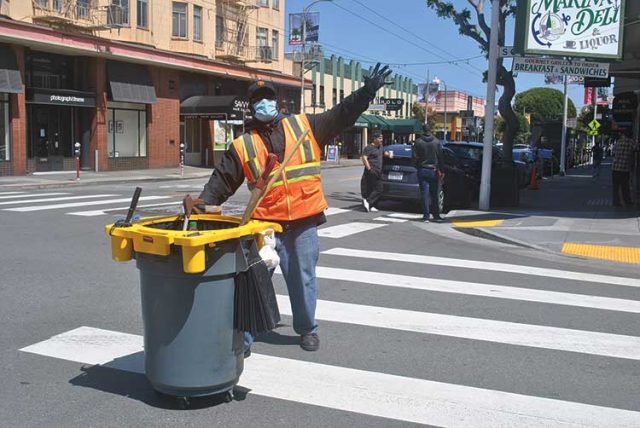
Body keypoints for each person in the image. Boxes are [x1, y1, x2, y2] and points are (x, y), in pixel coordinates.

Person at [198, 63, 392, 353]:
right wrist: (202, 205)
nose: (264, 103)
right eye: (258, 100)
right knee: (254, 277)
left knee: (303, 278)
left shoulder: (305, 126)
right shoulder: (243, 144)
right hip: (264, 224)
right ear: (251, 107)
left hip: (303, 219)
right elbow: (221, 182)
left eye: (268, 98)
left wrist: (365, 93)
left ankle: (307, 329)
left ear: (277, 102)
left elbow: (341, 115)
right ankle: (245, 337)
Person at [413, 124, 444, 222]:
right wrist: (441, 170)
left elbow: (414, 157)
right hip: (433, 170)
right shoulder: (437, 142)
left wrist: (418, 166)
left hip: (422, 169)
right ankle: (436, 215)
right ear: (430, 130)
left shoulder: (418, 142)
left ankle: (426, 216)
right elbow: (440, 157)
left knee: (424, 194)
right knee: (434, 193)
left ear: (423, 130)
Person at [360, 131, 385, 212]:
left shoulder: (380, 147)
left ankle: (370, 204)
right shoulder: (369, 148)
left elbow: (383, 153)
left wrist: (388, 154)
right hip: (371, 171)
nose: (381, 140)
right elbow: (364, 158)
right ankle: (368, 202)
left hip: (378, 171)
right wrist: (369, 169)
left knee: (378, 189)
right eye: (380, 138)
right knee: (376, 188)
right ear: (375, 139)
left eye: (382, 138)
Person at [611, 128, 636, 207]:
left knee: (615, 187)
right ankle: (627, 201)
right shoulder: (631, 142)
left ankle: (616, 202)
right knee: (625, 186)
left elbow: (613, 152)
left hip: (615, 167)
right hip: (624, 168)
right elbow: (636, 149)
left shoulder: (618, 142)